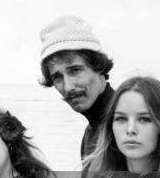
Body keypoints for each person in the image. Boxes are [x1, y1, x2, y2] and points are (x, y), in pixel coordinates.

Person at [39, 15, 116, 159]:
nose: (68, 87)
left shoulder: (124, 124)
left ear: (98, 66)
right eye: (57, 77)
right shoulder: (91, 131)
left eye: (75, 70)